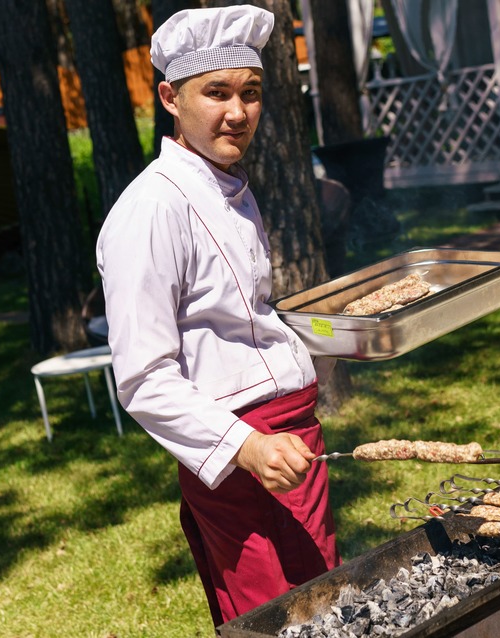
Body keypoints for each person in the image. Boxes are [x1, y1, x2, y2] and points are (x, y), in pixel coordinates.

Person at [95, 5, 340, 628]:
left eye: (251, 93)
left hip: (294, 442)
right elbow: (144, 378)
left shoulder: (228, 182)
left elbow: (238, 320)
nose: (238, 112)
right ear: (170, 98)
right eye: (218, 93)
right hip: (239, 458)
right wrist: (246, 446)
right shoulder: (150, 210)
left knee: (329, 609)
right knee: (274, 618)